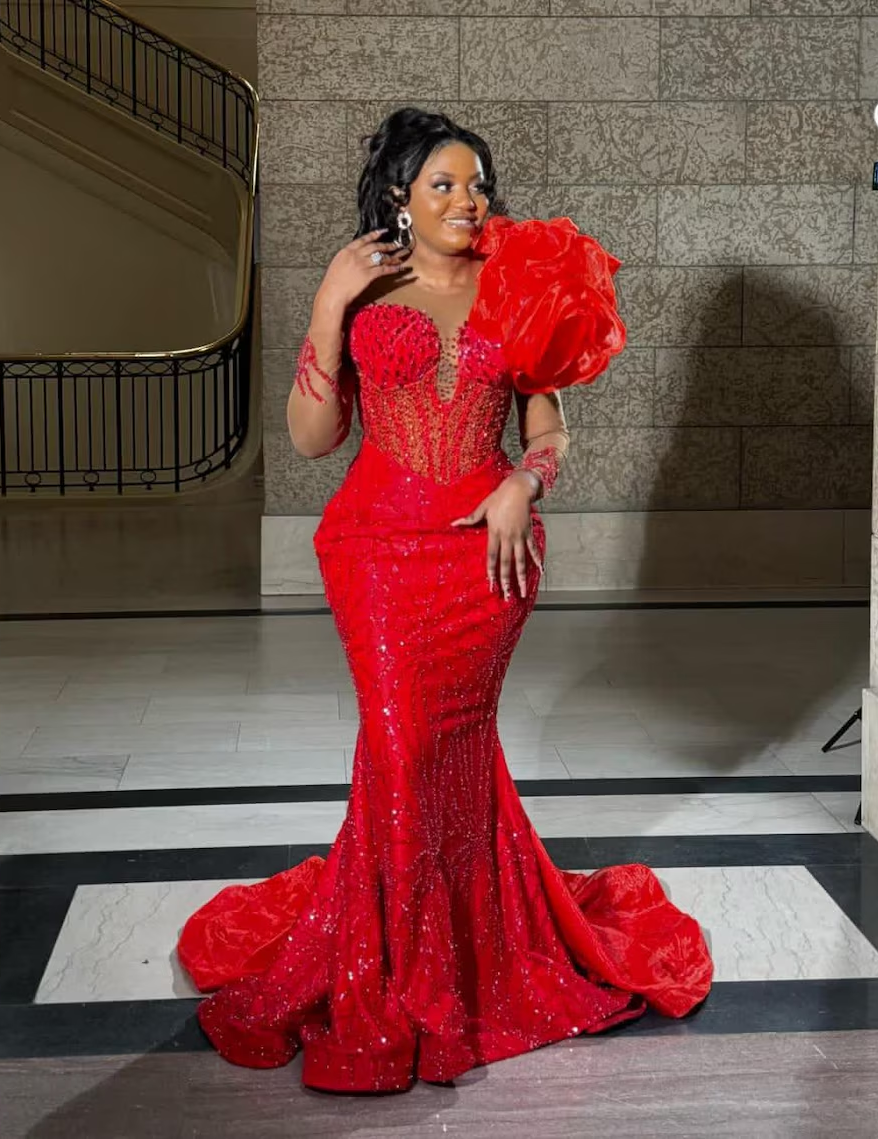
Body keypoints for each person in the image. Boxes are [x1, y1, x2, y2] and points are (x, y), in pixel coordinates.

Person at [178, 107, 713, 1094]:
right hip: (376, 552)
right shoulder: (363, 286)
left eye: (477, 184)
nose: (468, 201)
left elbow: (549, 430)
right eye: (444, 185)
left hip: (486, 556)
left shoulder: (518, 282)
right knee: (401, 744)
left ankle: (469, 950)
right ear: (400, 197)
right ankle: (401, 967)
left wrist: (524, 484)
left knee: (446, 748)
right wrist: (328, 303)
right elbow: (311, 439)